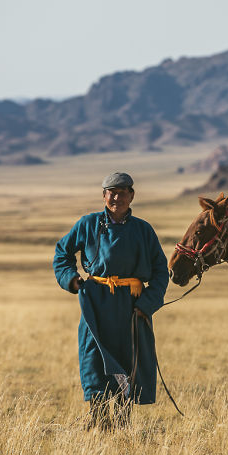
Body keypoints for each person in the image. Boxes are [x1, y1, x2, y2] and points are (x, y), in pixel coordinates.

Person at [53, 172, 169, 429]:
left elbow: (161, 271)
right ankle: (98, 420)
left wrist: (147, 304)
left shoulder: (143, 229)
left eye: (123, 192)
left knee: (129, 359)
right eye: (111, 192)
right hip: (96, 302)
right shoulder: (87, 224)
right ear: (104, 195)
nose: (117, 197)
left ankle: (122, 421)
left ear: (132, 195)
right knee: (94, 358)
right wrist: (72, 280)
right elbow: (62, 253)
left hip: (131, 304)